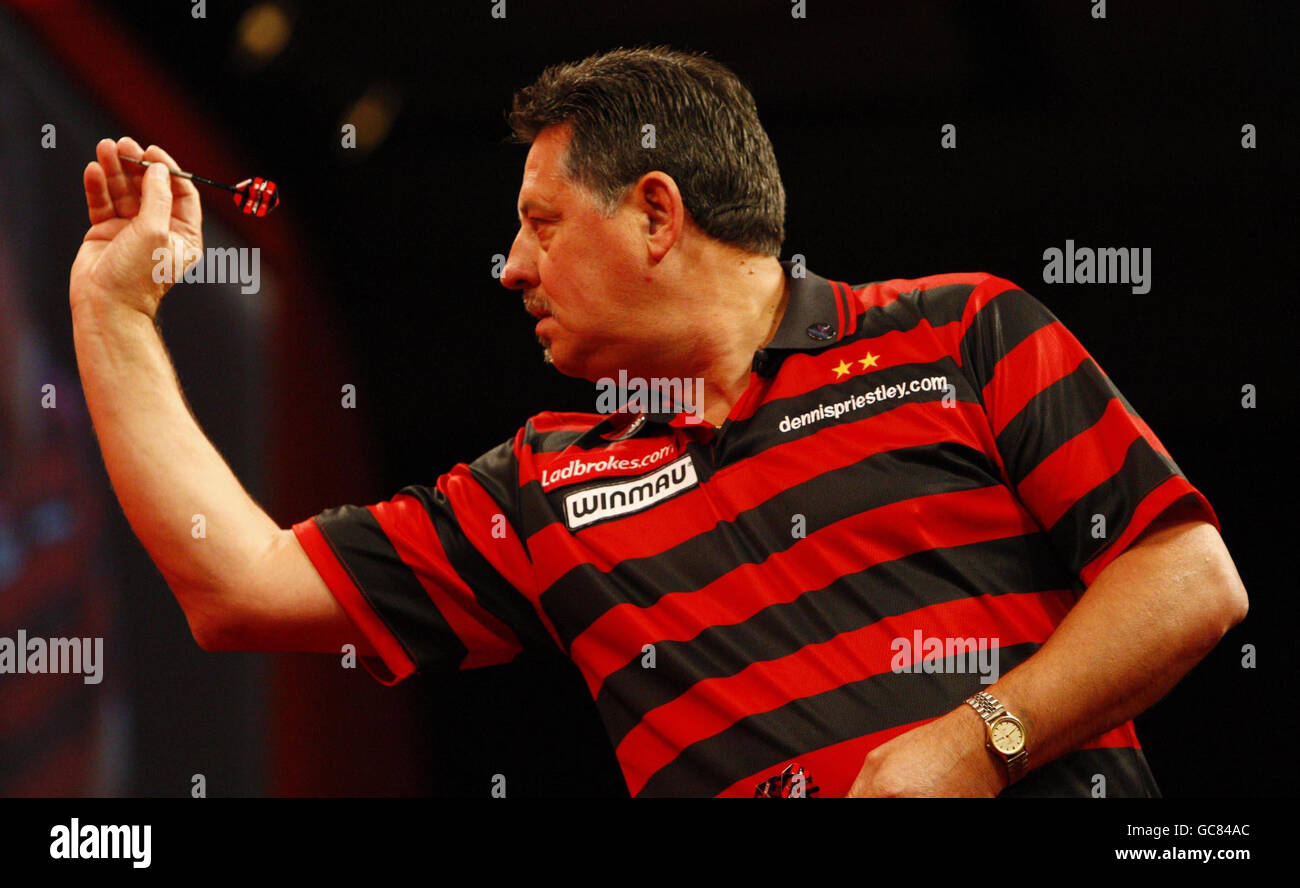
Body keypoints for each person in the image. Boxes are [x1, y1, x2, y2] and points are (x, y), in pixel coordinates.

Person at [69, 46, 1248, 798]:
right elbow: (243, 588)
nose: (510, 267)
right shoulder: (543, 482)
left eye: (540, 223)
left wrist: (979, 739)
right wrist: (113, 310)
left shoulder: (958, 331)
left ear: (654, 214)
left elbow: (1188, 578)